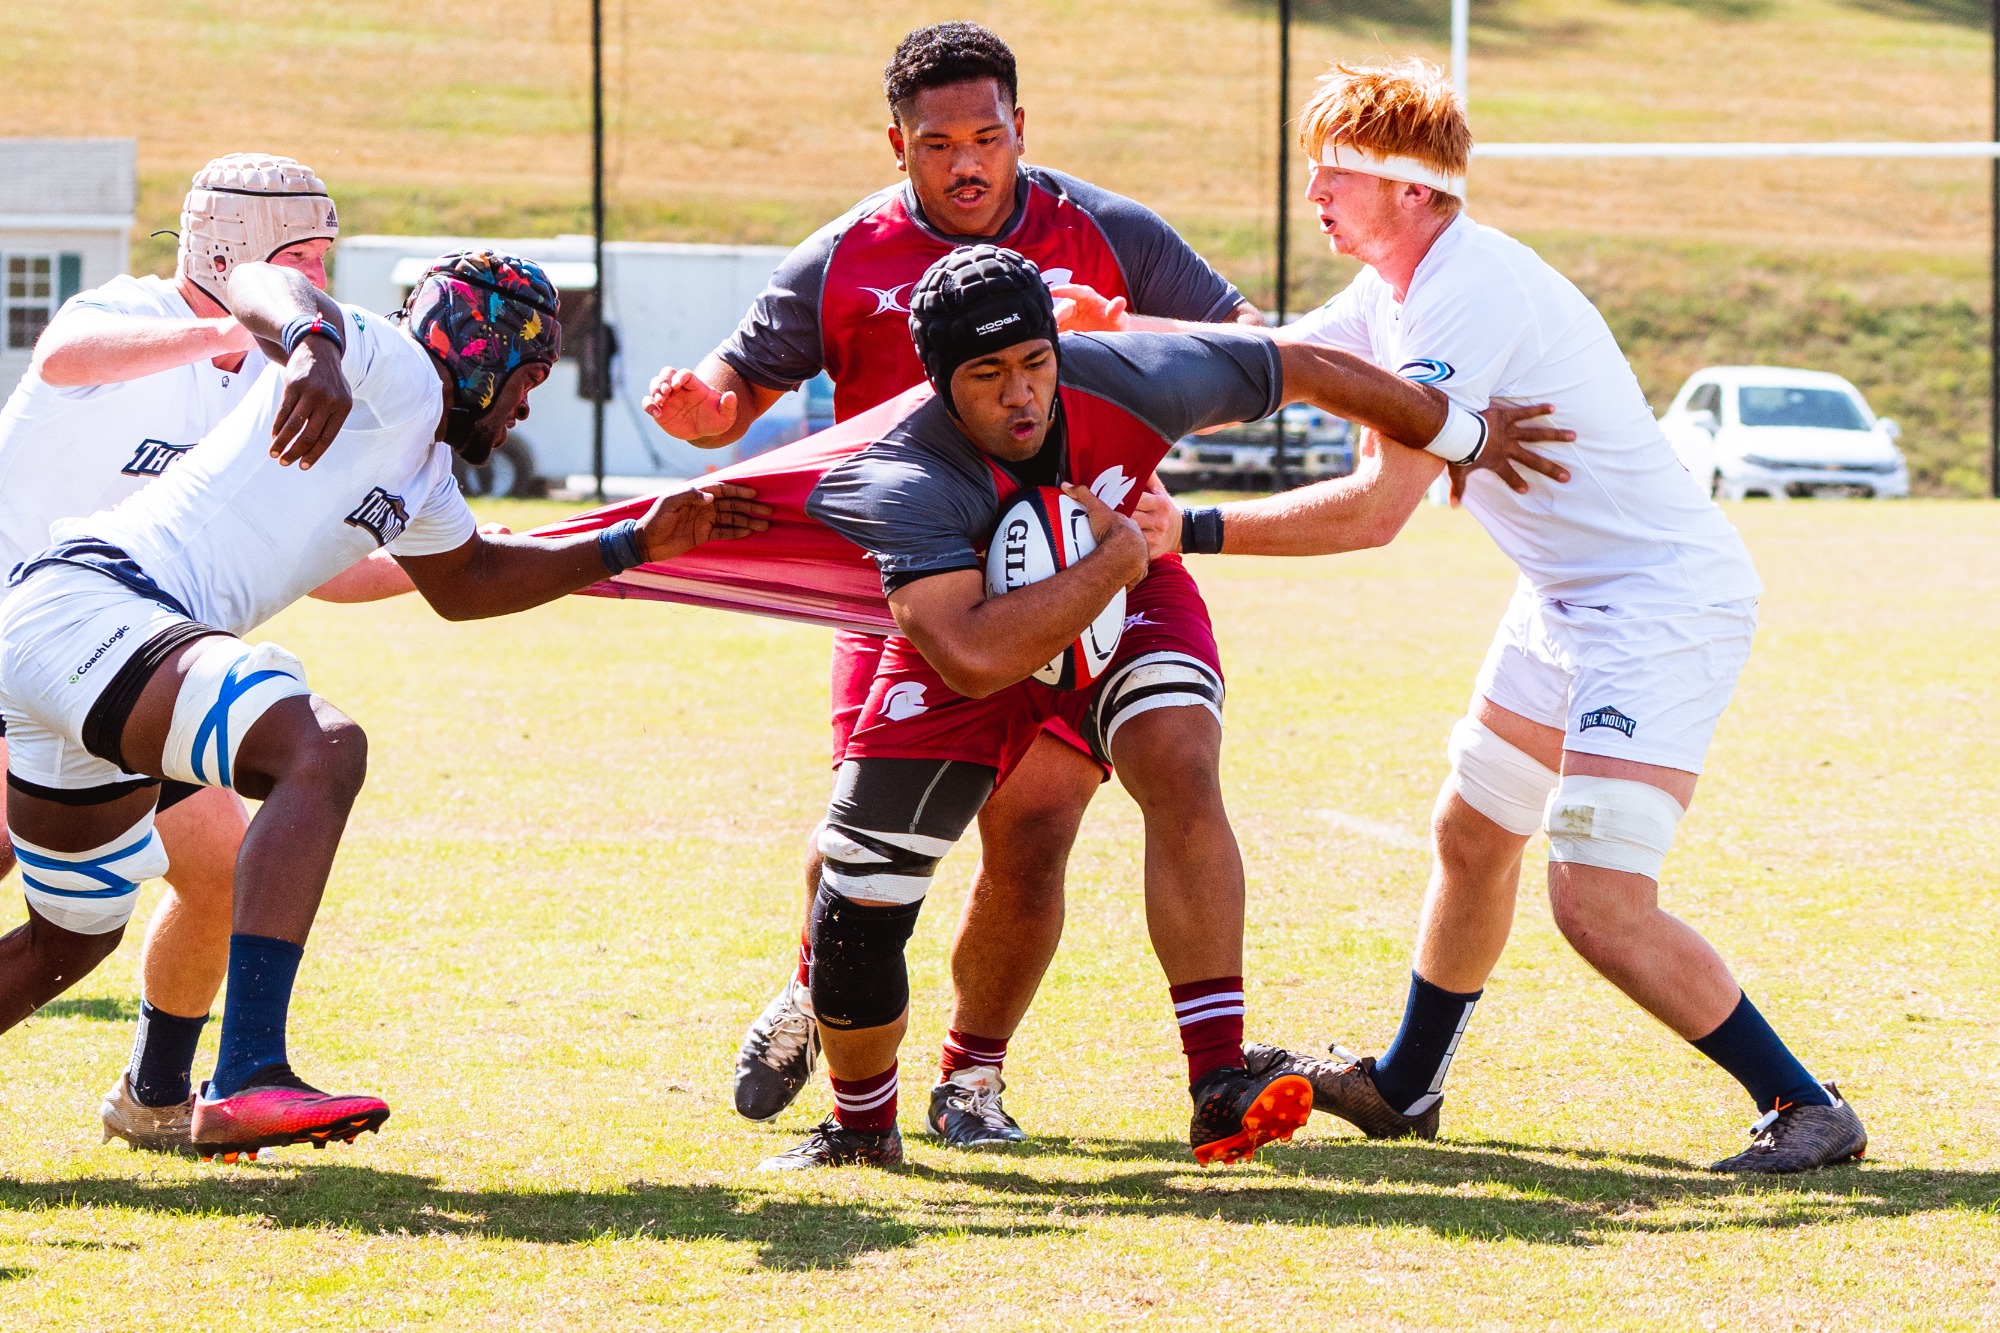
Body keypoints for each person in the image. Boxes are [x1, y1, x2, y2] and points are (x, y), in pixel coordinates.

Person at [1146, 58, 1867, 1174]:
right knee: (1471, 831)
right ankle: (1405, 1085)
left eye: (1335, 173)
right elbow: (1274, 357)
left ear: (1414, 191)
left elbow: (1375, 509)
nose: (1315, 197)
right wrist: (1114, 331)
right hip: (1564, 598)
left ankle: (1801, 1104)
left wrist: (1184, 529)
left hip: (1656, 604)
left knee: (1594, 899)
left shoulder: (1462, 290)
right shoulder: (1395, 287)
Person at [754, 243, 1563, 1170]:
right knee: (860, 893)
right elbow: (974, 655)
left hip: (1134, 599)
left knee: (1181, 759)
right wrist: (1110, 561)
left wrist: (1462, 433)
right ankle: (863, 1128)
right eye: (988, 375)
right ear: (938, 382)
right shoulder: (904, 472)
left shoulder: (1129, 379)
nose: (1022, 395)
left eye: (1036, 364)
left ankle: (1218, 1076)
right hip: (981, 630)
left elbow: (1304, 366)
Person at [644, 21, 1270, 1147]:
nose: (968, 162)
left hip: (1091, 566)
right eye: (940, 144)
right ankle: (816, 988)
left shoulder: (1107, 231)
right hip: (915, 589)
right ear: (897, 146)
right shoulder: (841, 257)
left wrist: (1120, 327)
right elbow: (734, 387)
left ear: (1022, 129)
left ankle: (988, 1082)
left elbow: (1246, 341)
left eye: (989, 137)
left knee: (1056, 816)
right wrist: (707, 410)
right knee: (858, 843)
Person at [0, 250, 766, 1161]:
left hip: (74, 639)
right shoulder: (391, 363)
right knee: (320, 748)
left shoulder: (427, 472)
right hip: (96, 606)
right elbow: (255, 281)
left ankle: (236, 1068)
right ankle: (247, 1070)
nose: (527, 407)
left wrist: (633, 539)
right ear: (482, 353)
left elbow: (468, 581)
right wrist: (314, 343)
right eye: (528, 379)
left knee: (70, 936)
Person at [0, 152, 410, 1152]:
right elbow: (65, 355)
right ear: (231, 251)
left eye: (324, 257)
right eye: (301, 257)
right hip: (25, 650)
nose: (319, 278)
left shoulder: (278, 380)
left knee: (222, 872)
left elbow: (329, 568)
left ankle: (152, 1092)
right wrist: (241, 322)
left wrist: (495, 558)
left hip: (131, 671)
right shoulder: (128, 312)